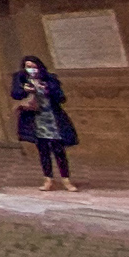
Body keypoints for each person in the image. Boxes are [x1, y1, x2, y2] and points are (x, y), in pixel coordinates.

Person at [12, 55, 79, 190]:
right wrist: (25, 90)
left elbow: (61, 97)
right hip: (36, 119)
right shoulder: (21, 79)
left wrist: (47, 89)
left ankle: (66, 179)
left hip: (52, 118)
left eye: (33, 66)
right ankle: (48, 179)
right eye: (28, 67)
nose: (31, 69)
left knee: (59, 150)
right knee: (43, 151)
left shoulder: (49, 79)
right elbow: (15, 94)